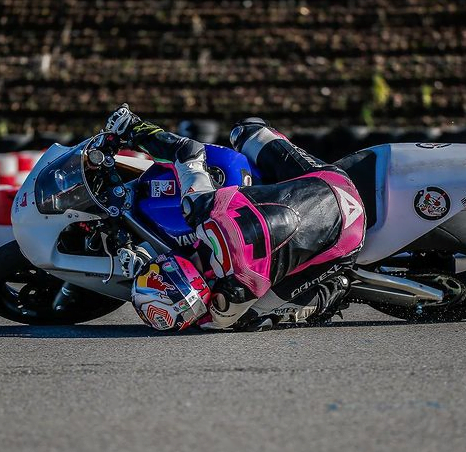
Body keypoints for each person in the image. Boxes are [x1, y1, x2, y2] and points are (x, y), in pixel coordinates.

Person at [105, 104, 366, 332]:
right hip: (332, 183)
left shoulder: (223, 312)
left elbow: (206, 320)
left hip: (349, 238)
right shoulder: (201, 211)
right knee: (247, 129)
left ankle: (335, 290)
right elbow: (188, 150)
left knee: (255, 317)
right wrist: (134, 129)